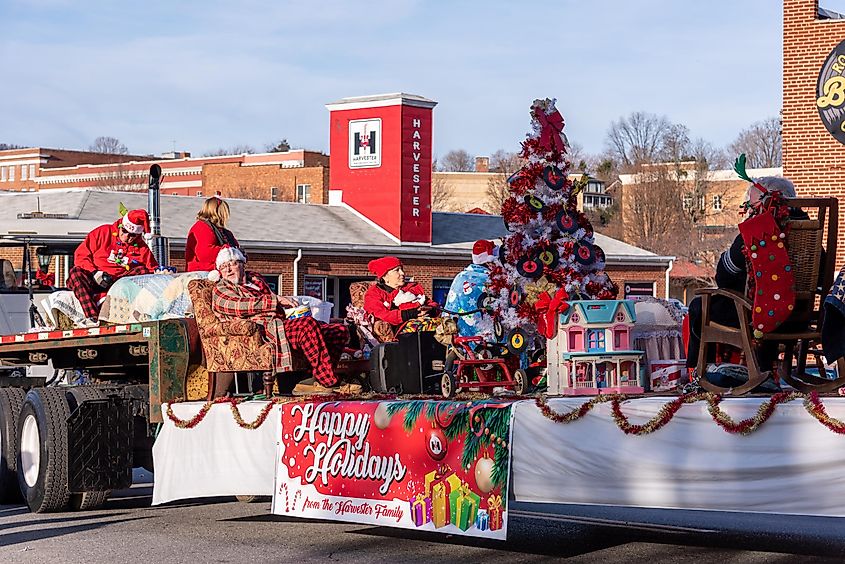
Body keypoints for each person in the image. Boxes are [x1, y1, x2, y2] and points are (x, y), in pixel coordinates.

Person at [686, 176, 805, 384]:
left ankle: (703, 371)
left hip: (758, 314)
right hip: (801, 313)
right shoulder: (810, 229)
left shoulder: (757, 230)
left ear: (766, 201)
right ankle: (766, 368)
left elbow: (724, 276)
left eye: (751, 204)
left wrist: (726, 256)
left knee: (699, 306)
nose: (749, 209)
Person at [210, 247, 354, 393]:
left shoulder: (256, 282)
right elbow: (240, 306)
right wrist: (276, 300)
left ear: (242, 264)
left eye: (232, 264)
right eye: (223, 267)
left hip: (281, 324)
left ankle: (311, 379)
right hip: (263, 331)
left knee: (338, 330)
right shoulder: (221, 289)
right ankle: (329, 382)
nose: (228, 270)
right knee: (307, 325)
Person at [68, 209, 158, 321]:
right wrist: (94, 272)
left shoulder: (142, 248)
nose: (126, 237)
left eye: (132, 235)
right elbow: (81, 255)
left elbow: (152, 270)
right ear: (120, 225)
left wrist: (162, 272)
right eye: (124, 231)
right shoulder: (102, 232)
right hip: (94, 278)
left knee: (142, 271)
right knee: (75, 272)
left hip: (119, 285)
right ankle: (93, 318)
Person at [363, 256, 440, 339]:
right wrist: (412, 313)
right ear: (385, 276)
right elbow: (383, 315)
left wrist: (430, 309)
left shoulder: (412, 288)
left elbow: (431, 303)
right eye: (397, 270)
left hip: (425, 322)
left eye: (402, 269)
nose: (402, 273)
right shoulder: (374, 293)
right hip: (400, 332)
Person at [443, 240, 499, 338]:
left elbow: (449, 309)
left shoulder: (460, 277)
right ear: (490, 261)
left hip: (461, 338)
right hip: (490, 340)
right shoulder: (494, 279)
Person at [186, 196, 240, 272]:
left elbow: (236, 248)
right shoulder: (201, 227)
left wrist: (238, 253)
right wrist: (228, 250)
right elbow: (206, 253)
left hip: (223, 271)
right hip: (203, 272)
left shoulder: (226, 233)